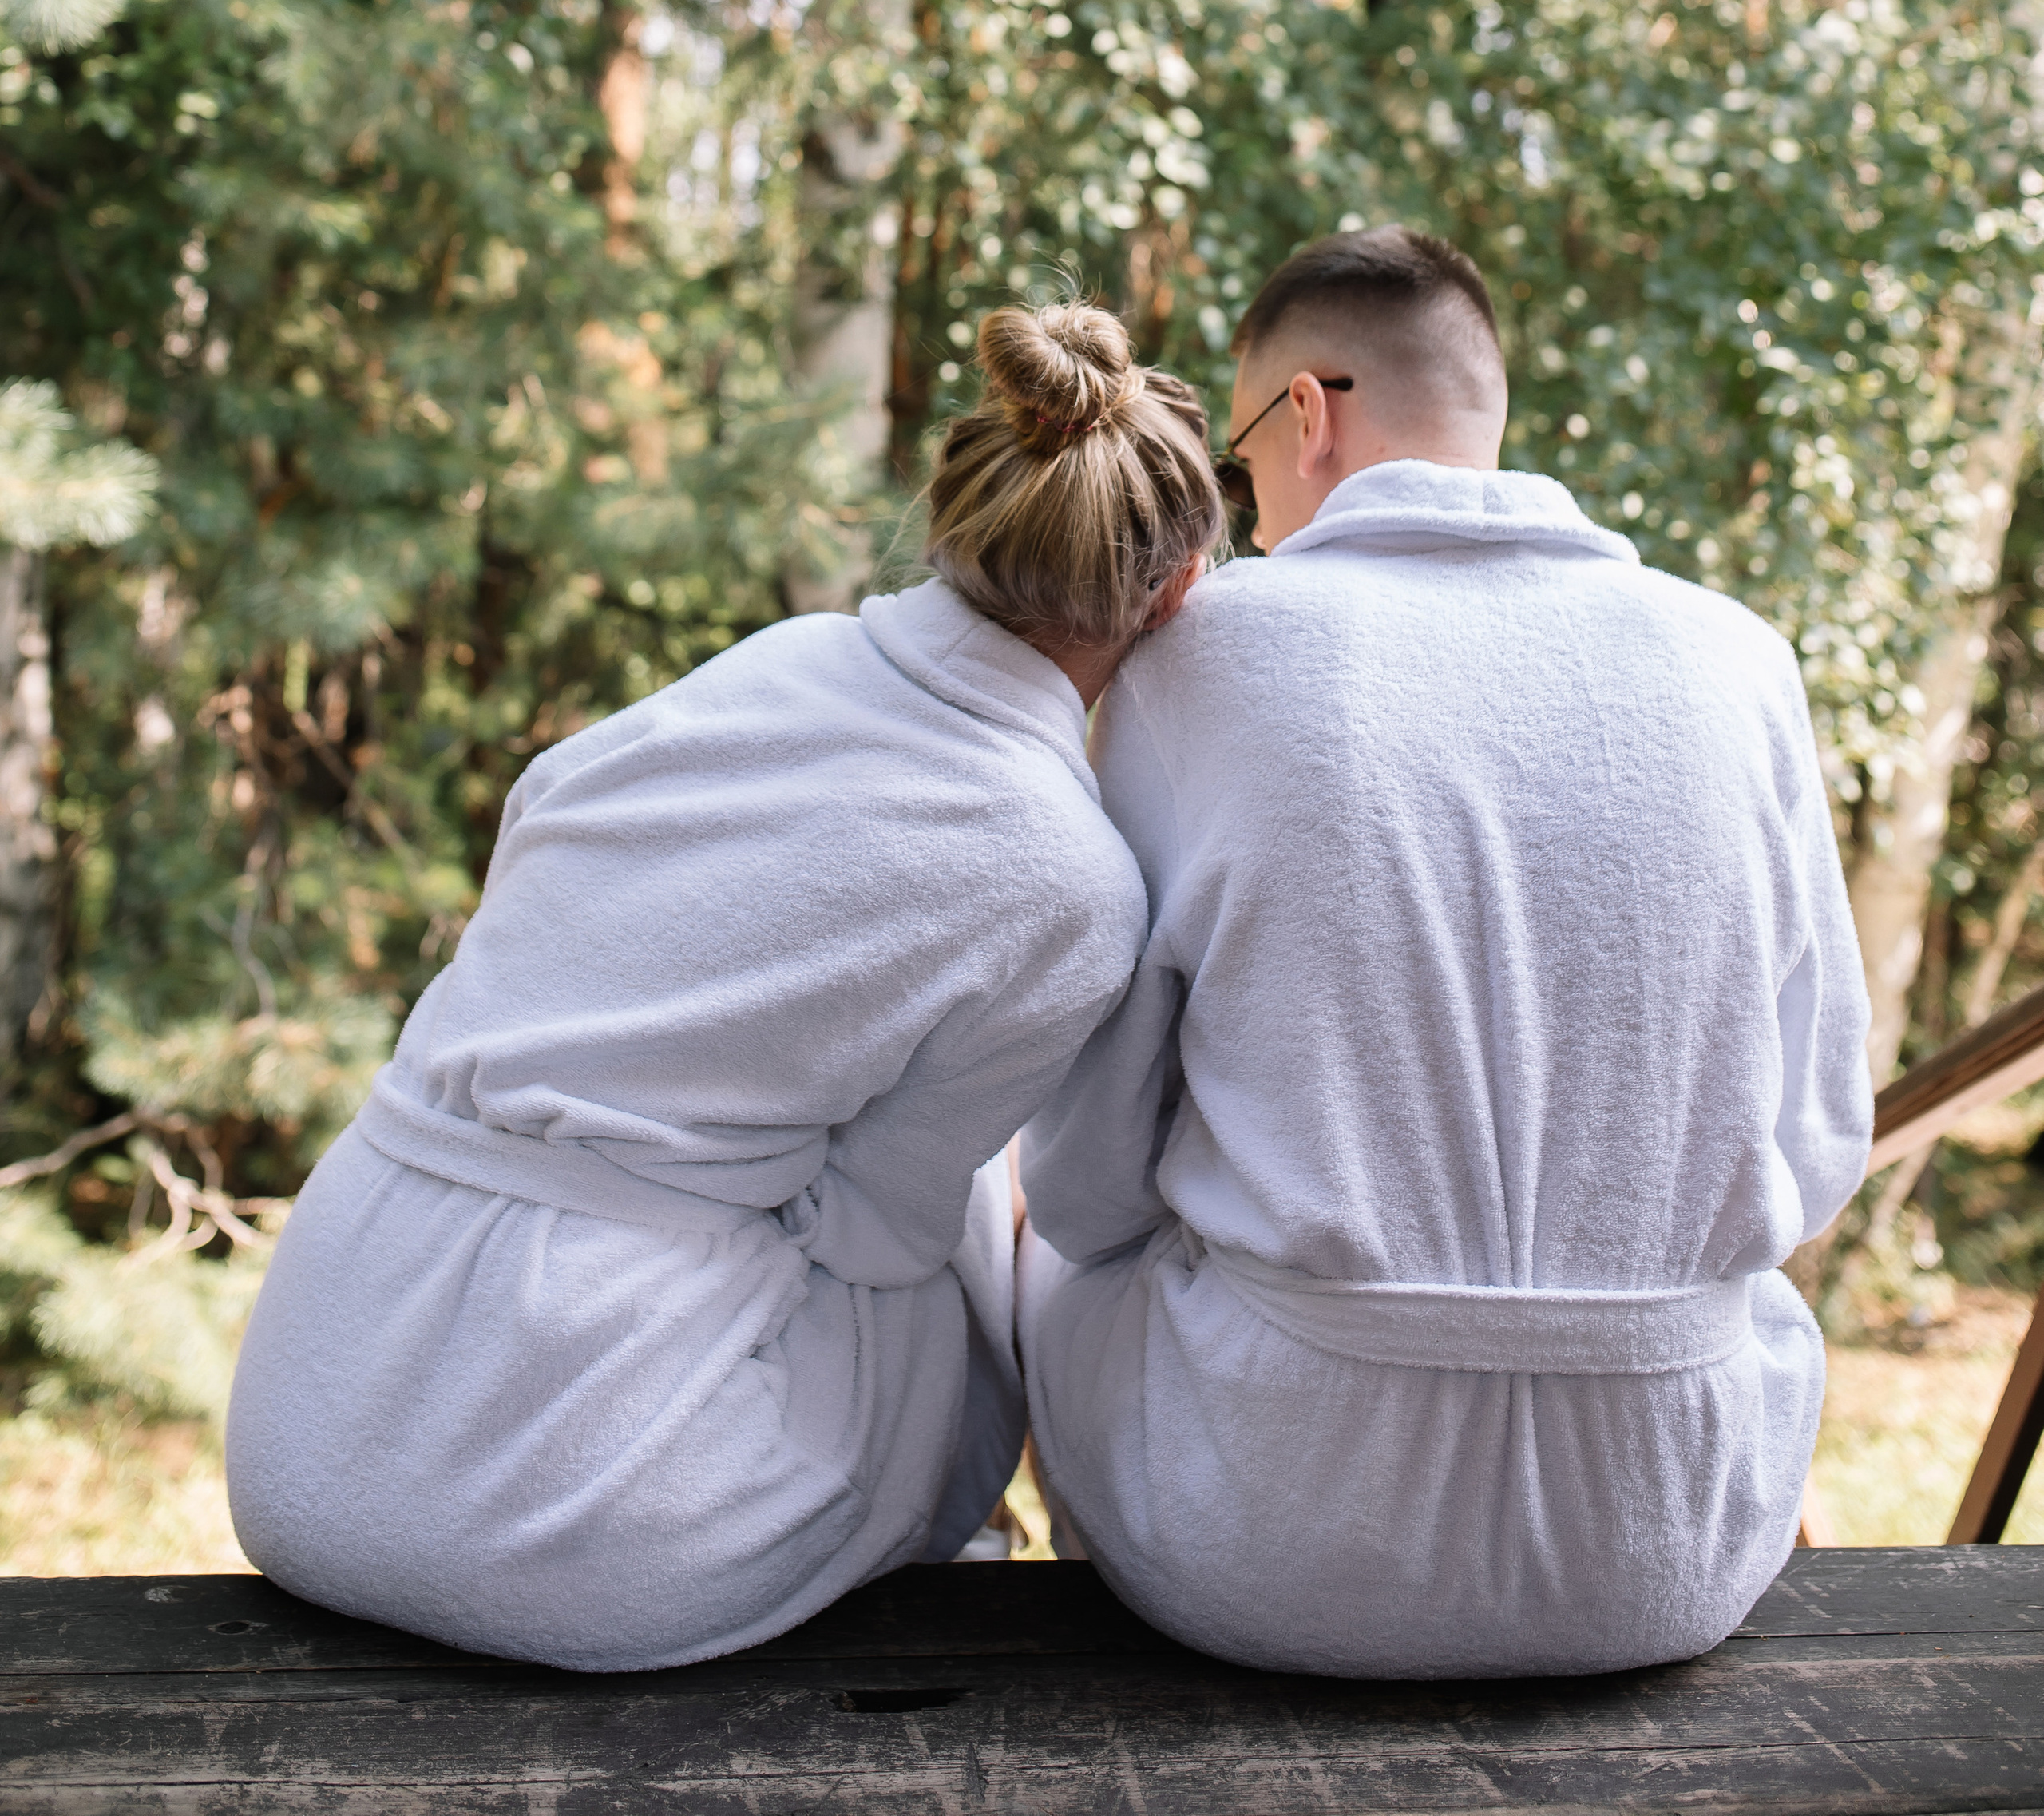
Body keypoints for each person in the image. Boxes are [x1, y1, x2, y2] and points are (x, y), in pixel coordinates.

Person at [227, 299, 1222, 1671]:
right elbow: (874, 1235)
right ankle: (969, 1540)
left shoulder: (768, 669)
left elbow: (541, 834)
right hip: (574, 1523)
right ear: (1175, 594)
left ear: (955, 512)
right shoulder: (1068, 880)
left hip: (307, 1433)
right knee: (978, 1204)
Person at [1018, 226, 1872, 1679]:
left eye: (1239, 470)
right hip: (1669, 1544)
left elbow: (1091, 1181)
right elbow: (1820, 1140)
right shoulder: (1741, 661)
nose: (1246, 522)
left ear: (1306, 414)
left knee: (1020, 1226)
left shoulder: (1198, 658)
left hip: (1267, 1544)